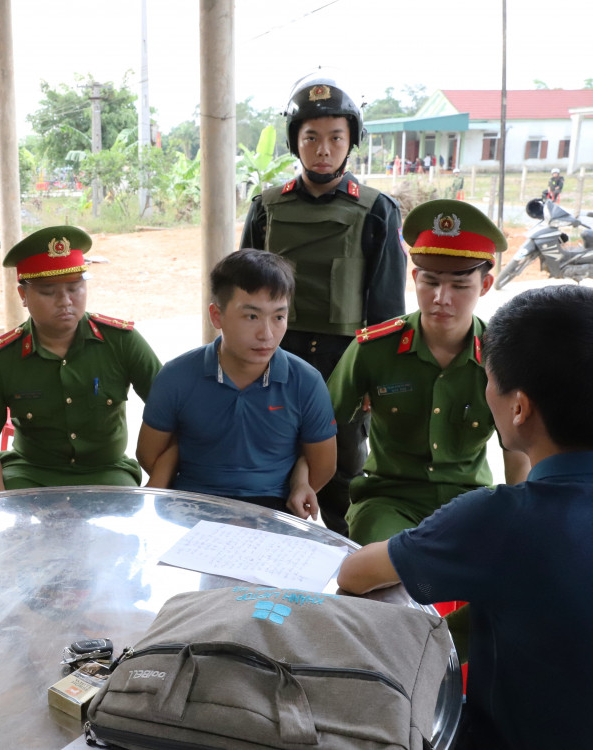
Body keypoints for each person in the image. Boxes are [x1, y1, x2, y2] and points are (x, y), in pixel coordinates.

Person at [337, 283, 593, 750]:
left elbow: (355, 574)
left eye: (490, 380)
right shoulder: (376, 347)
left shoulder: (497, 520)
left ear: (519, 408)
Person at [238, 74, 407, 536]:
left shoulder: (375, 209)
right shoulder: (266, 208)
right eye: (311, 138)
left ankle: (337, 578)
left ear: (350, 141)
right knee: (264, 461)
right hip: (273, 353)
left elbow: (388, 306)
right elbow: (241, 295)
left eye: (336, 137)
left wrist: (377, 377)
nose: (323, 149)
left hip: (346, 362)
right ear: (296, 143)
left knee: (340, 471)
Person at [327, 199, 530, 546]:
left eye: (459, 286)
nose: (441, 298)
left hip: (469, 502)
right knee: (375, 579)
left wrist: (521, 522)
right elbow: (323, 425)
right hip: (388, 500)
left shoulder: (503, 357)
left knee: (491, 579)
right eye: (430, 282)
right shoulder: (372, 350)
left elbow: (517, 452)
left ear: (484, 285)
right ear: (415, 277)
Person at [136, 250, 336, 519]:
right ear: (216, 316)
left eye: (278, 317)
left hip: (274, 509)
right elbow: (149, 454)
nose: (266, 334)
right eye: (251, 316)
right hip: (191, 505)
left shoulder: (306, 382)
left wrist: (299, 485)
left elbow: (323, 465)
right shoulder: (176, 377)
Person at [0, 225, 161, 491]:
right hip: (29, 474)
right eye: (48, 291)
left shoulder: (122, 342)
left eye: (75, 288)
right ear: (23, 295)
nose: (65, 301)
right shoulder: (0, 359)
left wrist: (158, 487)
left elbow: (171, 413)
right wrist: (0, 503)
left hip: (107, 473)